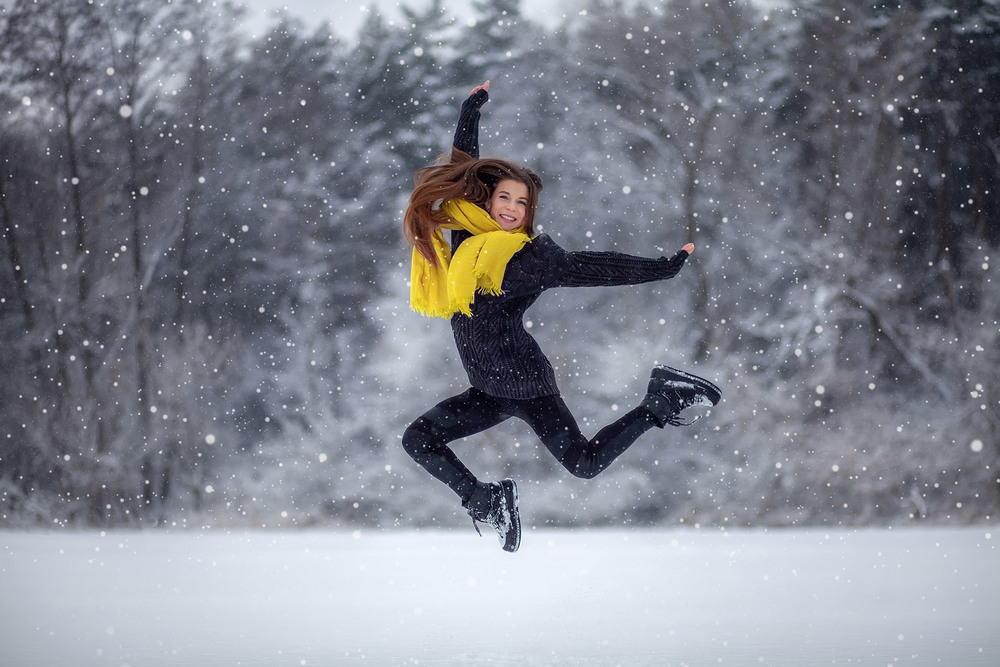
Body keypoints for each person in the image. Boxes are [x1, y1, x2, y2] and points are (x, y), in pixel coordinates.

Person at [401, 81, 721, 552]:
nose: (512, 209)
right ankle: (487, 502)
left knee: (585, 464)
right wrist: (470, 110)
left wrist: (660, 268)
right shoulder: (467, 236)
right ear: (487, 200)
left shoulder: (525, 259)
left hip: (528, 386)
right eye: (505, 198)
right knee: (418, 440)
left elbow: (589, 266)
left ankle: (662, 401)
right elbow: (461, 167)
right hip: (486, 389)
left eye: (522, 203)